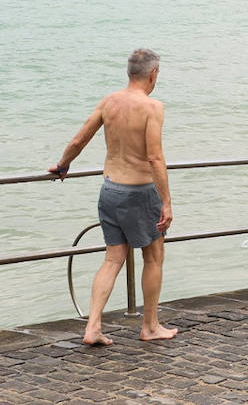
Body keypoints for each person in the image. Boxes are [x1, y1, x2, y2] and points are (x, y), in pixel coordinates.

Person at [48, 49, 177, 345]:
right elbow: (155, 158)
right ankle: (150, 326)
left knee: (112, 258)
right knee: (154, 257)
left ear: (128, 72)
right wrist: (166, 202)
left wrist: (63, 165)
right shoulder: (152, 107)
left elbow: (79, 139)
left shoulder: (109, 102)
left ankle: (93, 327)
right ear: (153, 74)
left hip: (110, 190)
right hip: (140, 193)